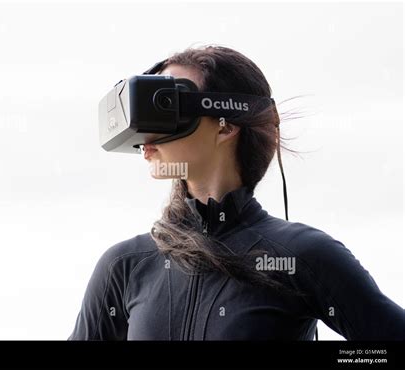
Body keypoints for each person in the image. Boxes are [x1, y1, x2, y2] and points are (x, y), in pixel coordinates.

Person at [68, 45, 404, 340]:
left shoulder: (303, 255)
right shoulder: (124, 266)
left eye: (167, 106)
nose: (147, 138)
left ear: (226, 124)